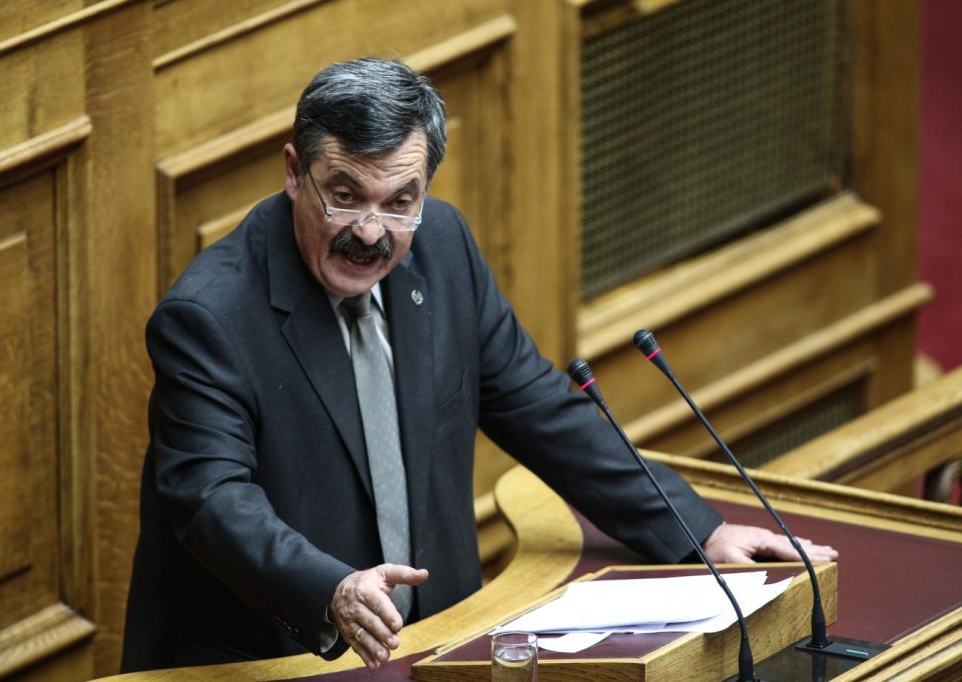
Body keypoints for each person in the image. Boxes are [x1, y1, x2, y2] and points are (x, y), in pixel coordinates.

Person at [120, 58, 836, 673]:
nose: (370, 231)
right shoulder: (211, 317)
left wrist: (698, 532)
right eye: (344, 196)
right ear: (293, 173)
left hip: (438, 644)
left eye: (399, 202)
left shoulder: (443, 248)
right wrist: (329, 590)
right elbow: (211, 499)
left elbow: (540, 407)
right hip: (277, 658)